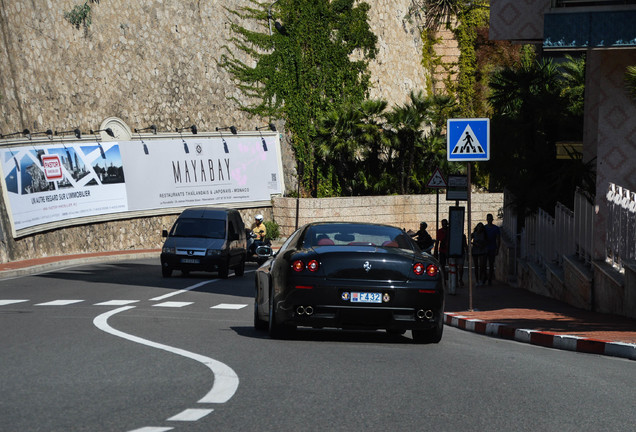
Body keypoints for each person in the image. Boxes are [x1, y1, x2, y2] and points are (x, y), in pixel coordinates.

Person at [484, 213, 501, 285]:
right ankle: (484, 278)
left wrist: (497, 248)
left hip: (492, 248)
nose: (489, 220)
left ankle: (490, 279)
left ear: (492, 219)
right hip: (485, 248)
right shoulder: (484, 228)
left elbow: (498, 239)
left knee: (491, 264)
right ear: (487, 219)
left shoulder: (496, 228)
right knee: (483, 264)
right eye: (488, 218)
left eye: (490, 218)